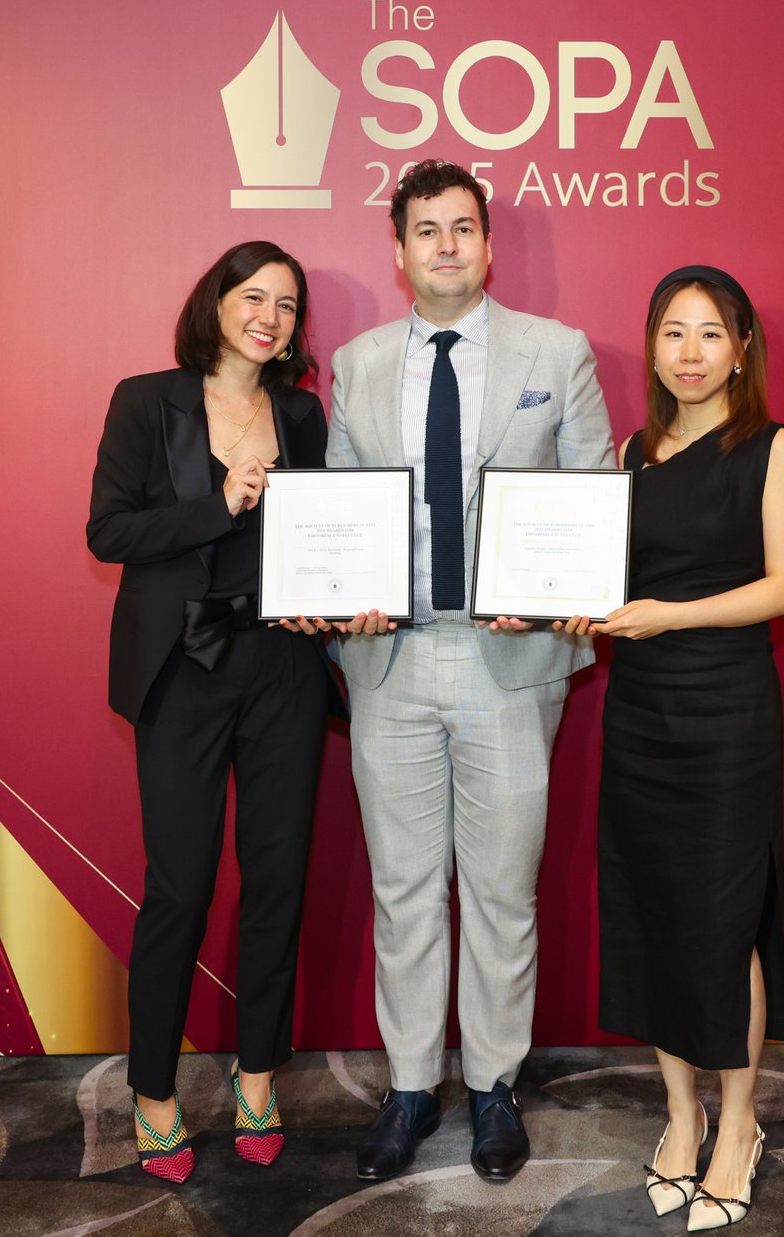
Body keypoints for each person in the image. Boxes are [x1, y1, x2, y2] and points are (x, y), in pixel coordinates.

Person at [325, 159, 614, 1182]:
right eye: (426, 230)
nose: (445, 245)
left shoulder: (557, 351)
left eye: (462, 228)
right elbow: (341, 513)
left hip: (512, 656)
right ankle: (409, 1086)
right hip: (389, 659)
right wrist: (339, 592)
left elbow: (591, 490)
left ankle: (493, 1085)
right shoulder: (354, 364)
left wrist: (559, 584)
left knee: (500, 889)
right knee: (406, 891)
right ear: (398, 251)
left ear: (488, 244)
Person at [87, 241, 341, 1181]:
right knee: (181, 889)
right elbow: (107, 529)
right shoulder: (144, 399)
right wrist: (218, 503)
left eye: (286, 304)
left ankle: (258, 1080)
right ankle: (154, 1094)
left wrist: (337, 596)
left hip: (284, 667)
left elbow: (324, 537)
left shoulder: (304, 413)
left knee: (277, 884)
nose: (268, 315)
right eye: (252, 296)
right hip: (183, 670)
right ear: (217, 303)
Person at [563, 266, 784, 1230]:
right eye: (674, 333)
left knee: (723, 921)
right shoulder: (634, 452)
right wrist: (560, 604)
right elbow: (605, 578)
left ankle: (739, 1124)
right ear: (654, 345)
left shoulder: (771, 447)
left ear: (742, 348)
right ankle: (679, 1116)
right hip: (643, 711)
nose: (691, 354)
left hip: (729, 713)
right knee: (654, 909)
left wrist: (671, 616)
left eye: (711, 335)